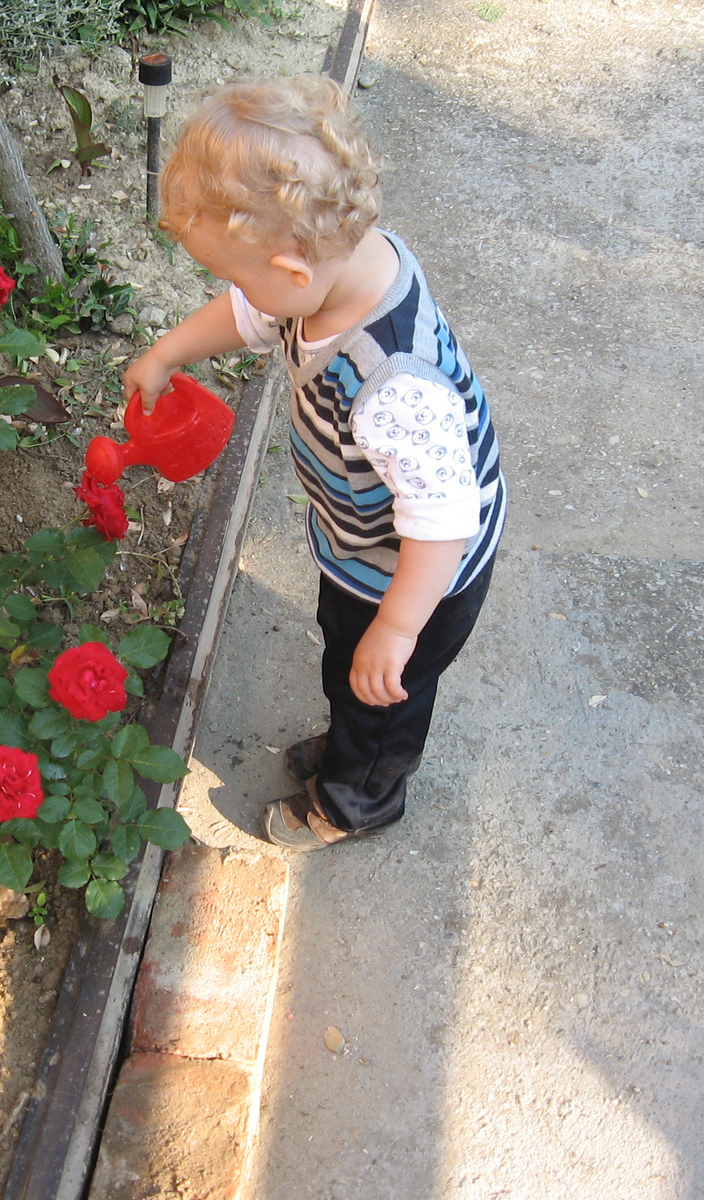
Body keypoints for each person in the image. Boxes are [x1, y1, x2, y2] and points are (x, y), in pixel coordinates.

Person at [121, 76, 506, 850]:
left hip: (417, 573)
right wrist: (168, 353)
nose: (235, 290)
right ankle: (349, 745)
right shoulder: (336, 269)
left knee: (381, 694)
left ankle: (358, 797)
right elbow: (249, 312)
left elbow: (443, 519)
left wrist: (397, 630)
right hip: (365, 544)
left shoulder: (395, 385)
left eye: (235, 271)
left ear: (294, 271)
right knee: (346, 665)